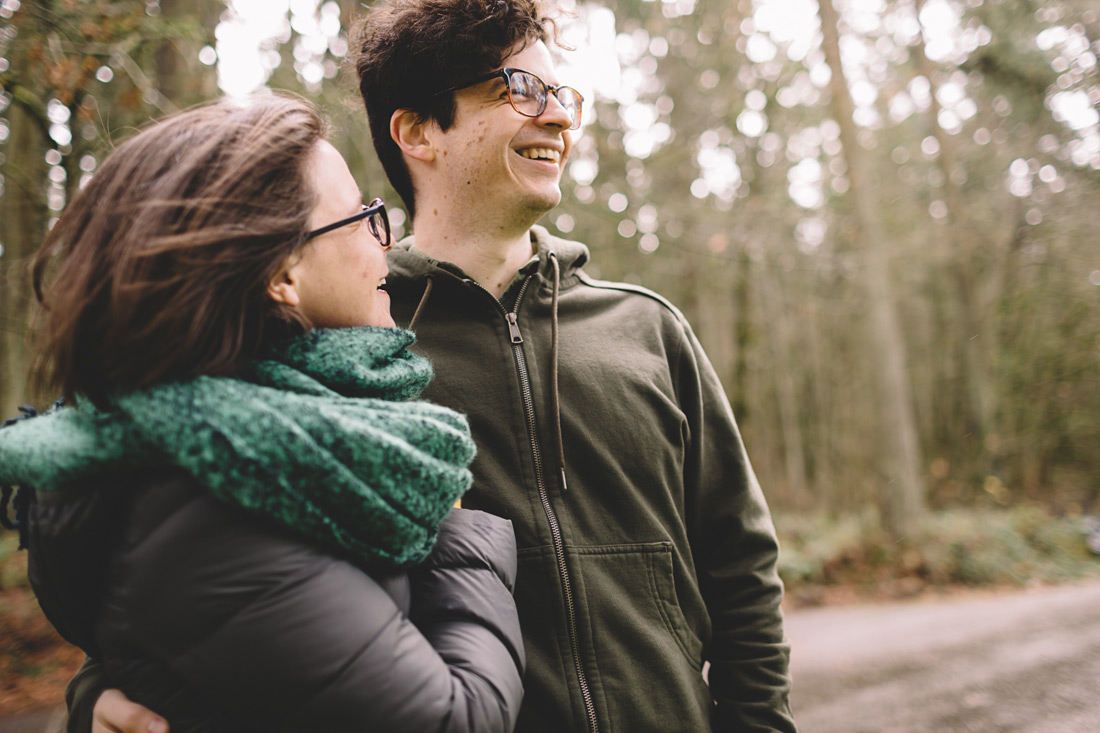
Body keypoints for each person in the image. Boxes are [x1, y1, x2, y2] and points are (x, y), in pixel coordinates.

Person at [77, 0, 798, 729]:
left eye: (560, 96)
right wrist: (95, 696)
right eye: (518, 90)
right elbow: (191, 568)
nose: (556, 117)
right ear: (418, 129)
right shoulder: (340, 348)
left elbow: (741, 574)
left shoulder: (648, 330)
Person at [0, 95, 525, 732]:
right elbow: (458, 721)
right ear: (280, 272)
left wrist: (89, 694)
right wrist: (457, 531)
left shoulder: (251, 441)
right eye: (362, 219)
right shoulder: (213, 502)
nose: (386, 242)